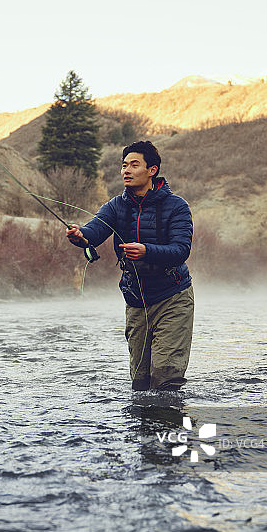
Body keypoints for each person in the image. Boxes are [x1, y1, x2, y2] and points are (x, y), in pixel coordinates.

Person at [66, 140, 194, 391]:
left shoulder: (176, 206)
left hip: (173, 298)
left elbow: (181, 251)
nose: (126, 170)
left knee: (165, 377)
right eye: (124, 165)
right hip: (136, 299)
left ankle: (168, 416)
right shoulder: (115, 206)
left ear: (152, 170)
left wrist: (147, 251)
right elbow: (94, 231)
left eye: (134, 165)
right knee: (140, 381)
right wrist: (80, 236)